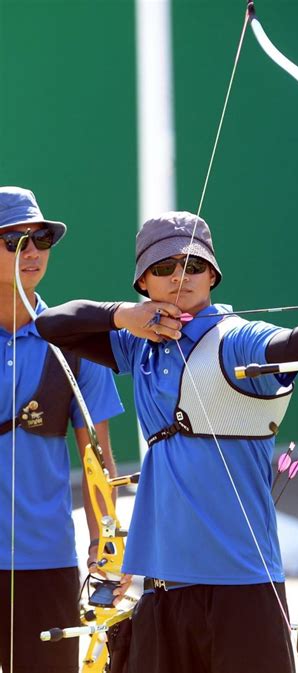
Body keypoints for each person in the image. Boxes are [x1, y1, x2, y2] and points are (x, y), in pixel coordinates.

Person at [36, 211, 298, 673]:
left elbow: (291, 343)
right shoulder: (139, 344)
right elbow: (51, 324)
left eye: (193, 265)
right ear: (143, 281)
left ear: (212, 274)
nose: (180, 277)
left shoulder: (236, 338)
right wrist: (124, 316)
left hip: (240, 582)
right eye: (164, 267)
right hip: (163, 580)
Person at [0, 186, 124, 673]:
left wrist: (106, 549)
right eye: (15, 240)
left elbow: (99, 458)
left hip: (45, 561)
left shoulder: (74, 343)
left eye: (42, 239)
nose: (31, 253)